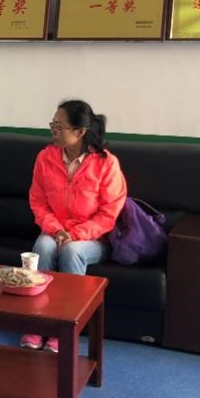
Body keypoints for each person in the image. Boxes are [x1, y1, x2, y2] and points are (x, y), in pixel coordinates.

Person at [21, 99, 127, 353]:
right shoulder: (45, 157)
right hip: (54, 230)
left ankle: (67, 328)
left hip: (93, 237)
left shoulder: (106, 163)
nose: (53, 131)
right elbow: (37, 201)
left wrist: (75, 234)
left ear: (79, 132)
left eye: (59, 127)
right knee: (42, 247)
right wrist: (56, 229)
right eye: (53, 125)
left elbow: (109, 213)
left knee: (72, 251)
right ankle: (38, 323)